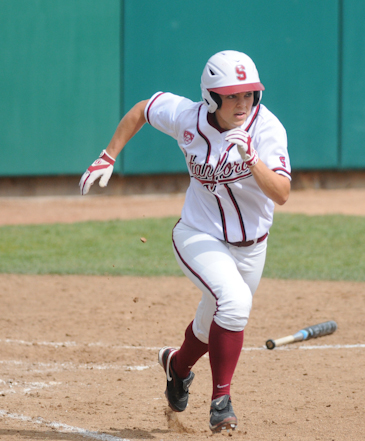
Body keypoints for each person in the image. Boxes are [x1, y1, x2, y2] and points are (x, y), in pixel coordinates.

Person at [79, 50, 291, 433]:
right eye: (231, 95)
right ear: (211, 97)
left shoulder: (267, 129)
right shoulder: (188, 117)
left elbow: (282, 193)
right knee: (235, 303)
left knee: (215, 319)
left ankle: (177, 367)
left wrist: (253, 159)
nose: (242, 103)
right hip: (197, 234)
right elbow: (143, 109)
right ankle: (220, 403)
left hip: (252, 246)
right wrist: (108, 155)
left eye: (248, 94)